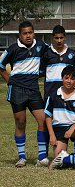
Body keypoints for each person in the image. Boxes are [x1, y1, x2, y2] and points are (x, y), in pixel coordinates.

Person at [0, 21, 49, 167]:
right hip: (17, 90)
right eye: (25, 33)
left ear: (34, 33)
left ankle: (42, 157)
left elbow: (54, 53)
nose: (28, 36)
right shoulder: (13, 49)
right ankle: (22, 157)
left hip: (33, 89)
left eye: (30, 32)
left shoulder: (41, 46)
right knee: (21, 122)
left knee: (43, 120)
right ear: (20, 35)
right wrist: (10, 81)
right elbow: (1, 65)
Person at [45, 65, 75, 157]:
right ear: (62, 78)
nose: (69, 81)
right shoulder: (53, 95)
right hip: (58, 129)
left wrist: (72, 129)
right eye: (66, 78)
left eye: (72, 79)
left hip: (73, 127)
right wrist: (52, 135)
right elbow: (48, 116)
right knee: (59, 158)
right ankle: (68, 158)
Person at [42, 25, 75, 100]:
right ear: (52, 38)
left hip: (68, 93)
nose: (59, 41)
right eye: (56, 38)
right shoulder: (46, 53)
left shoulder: (72, 53)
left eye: (61, 38)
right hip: (50, 92)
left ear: (65, 37)